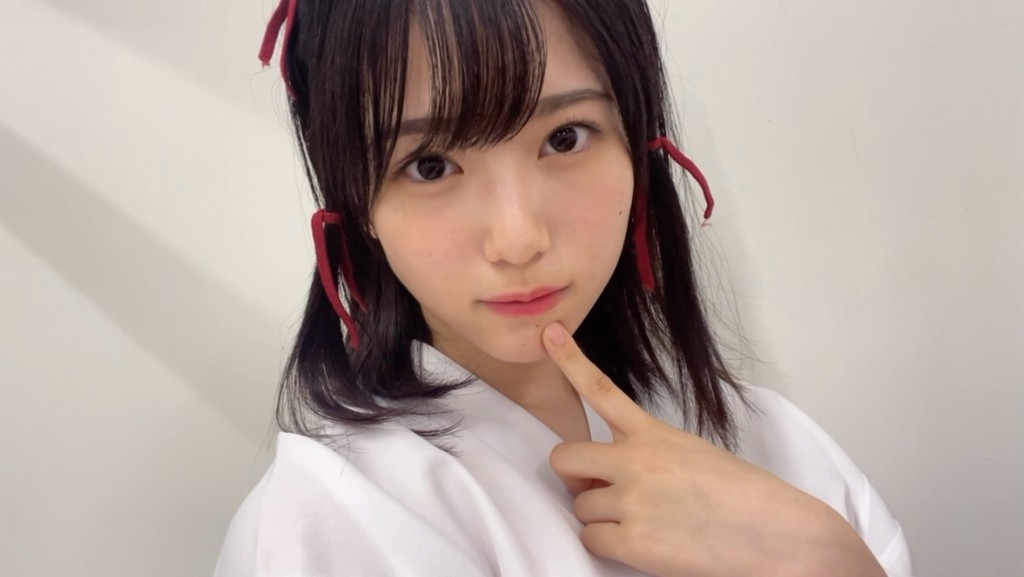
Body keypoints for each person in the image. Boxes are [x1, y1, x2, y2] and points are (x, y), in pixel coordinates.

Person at [214, 0, 916, 575]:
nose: (518, 238)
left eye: (566, 138)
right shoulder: (328, 521)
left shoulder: (772, 440)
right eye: (429, 165)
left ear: (639, 145)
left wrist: (830, 561)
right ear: (356, 203)